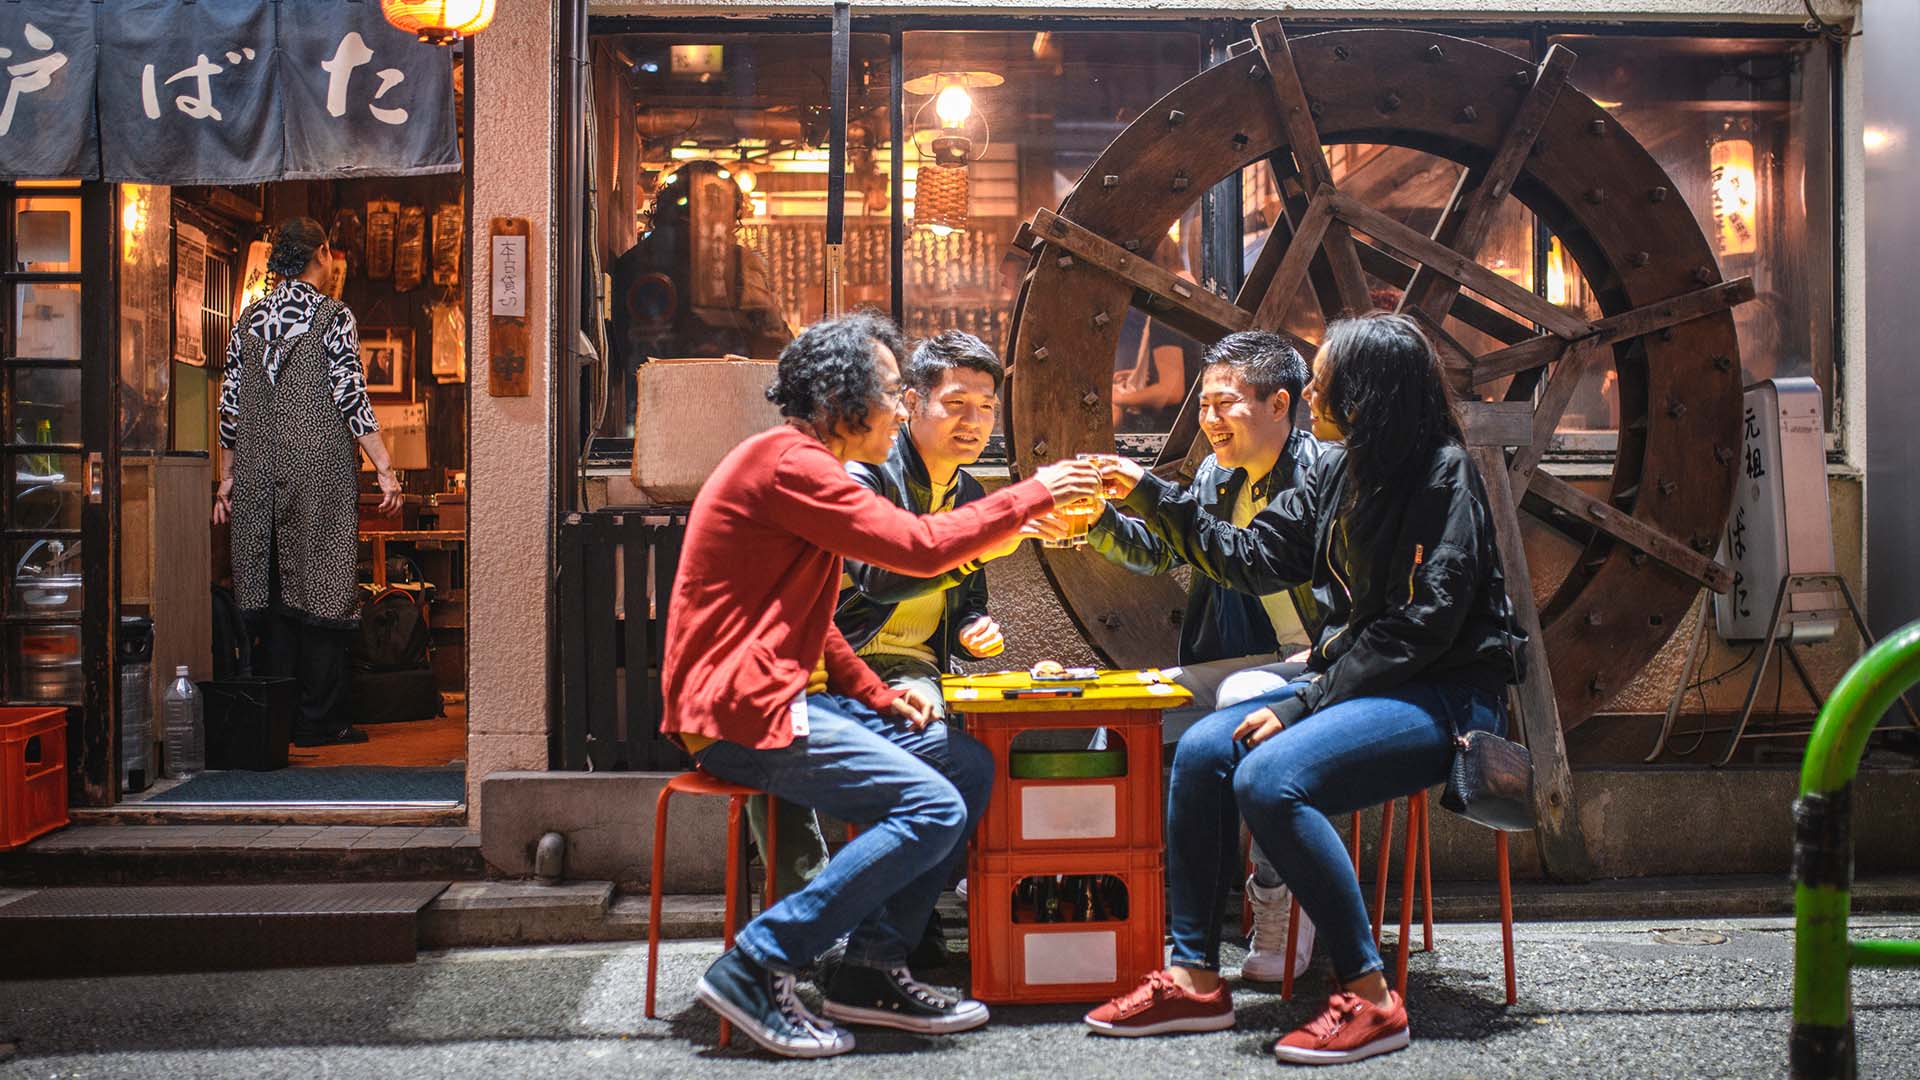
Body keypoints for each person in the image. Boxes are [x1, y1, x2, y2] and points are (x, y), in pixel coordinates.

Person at [1081, 313, 1518, 1067]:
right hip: (1358, 678)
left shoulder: (1444, 474)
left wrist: (1301, 701)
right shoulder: (1342, 471)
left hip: (1442, 695)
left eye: (1325, 377)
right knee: (1203, 751)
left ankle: (1372, 998)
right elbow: (1254, 557)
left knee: (1270, 778)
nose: (1310, 388)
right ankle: (1193, 975)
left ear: (1368, 392)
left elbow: (1424, 628)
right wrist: (1150, 493)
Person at [662, 311, 1100, 1059]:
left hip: (785, 696)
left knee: (965, 763)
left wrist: (871, 690)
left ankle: (869, 969)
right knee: (931, 804)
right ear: (845, 397)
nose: (901, 409)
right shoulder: (790, 464)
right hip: (740, 711)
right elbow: (918, 549)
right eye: (895, 392)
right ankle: (756, 961)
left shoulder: (805, 466)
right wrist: (1034, 494)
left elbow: (810, 617)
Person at [750, 330, 1027, 924]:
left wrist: (974, 627)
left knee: (946, 753)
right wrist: (996, 536)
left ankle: (894, 923)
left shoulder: (970, 489)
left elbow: (964, 596)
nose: (973, 422)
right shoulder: (860, 474)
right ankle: (812, 912)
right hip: (831, 662)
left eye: (986, 409)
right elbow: (877, 576)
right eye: (955, 404)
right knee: (790, 752)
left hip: (908, 666)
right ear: (909, 405)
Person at [1079, 330, 1325, 983]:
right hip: (1253, 663)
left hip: (1328, 664)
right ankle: (1090, 879)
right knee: (1127, 708)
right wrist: (1095, 518)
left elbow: (1256, 562)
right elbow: (1161, 551)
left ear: (1280, 404)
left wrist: (1147, 494)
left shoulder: (1321, 476)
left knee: (1249, 703)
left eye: (1226, 404)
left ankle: (1280, 913)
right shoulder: (1217, 476)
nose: (1209, 420)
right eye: (1204, 406)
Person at [213, 217, 402, 748]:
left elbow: (229, 409)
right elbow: (350, 395)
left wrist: (227, 479)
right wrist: (384, 467)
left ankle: (276, 719)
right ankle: (320, 720)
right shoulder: (331, 316)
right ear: (321, 254)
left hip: (255, 473)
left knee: (273, 596)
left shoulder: (246, 321)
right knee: (320, 592)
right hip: (317, 471)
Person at [610, 160, 792, 430]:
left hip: (652, 417)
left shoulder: (631, 264)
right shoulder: (741, 264)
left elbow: (621, 354)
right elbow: (777, 347)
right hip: (729, 416)